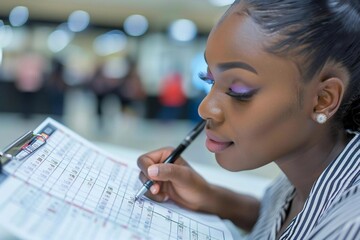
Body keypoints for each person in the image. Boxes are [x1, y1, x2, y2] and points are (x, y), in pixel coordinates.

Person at [137, 0, 360, 239]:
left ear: (322, 99)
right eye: (210, 80)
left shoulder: (349, 228)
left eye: (238, 90)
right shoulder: (303, 172)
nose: (205, 109)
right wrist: (211, 198)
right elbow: (282, 219)